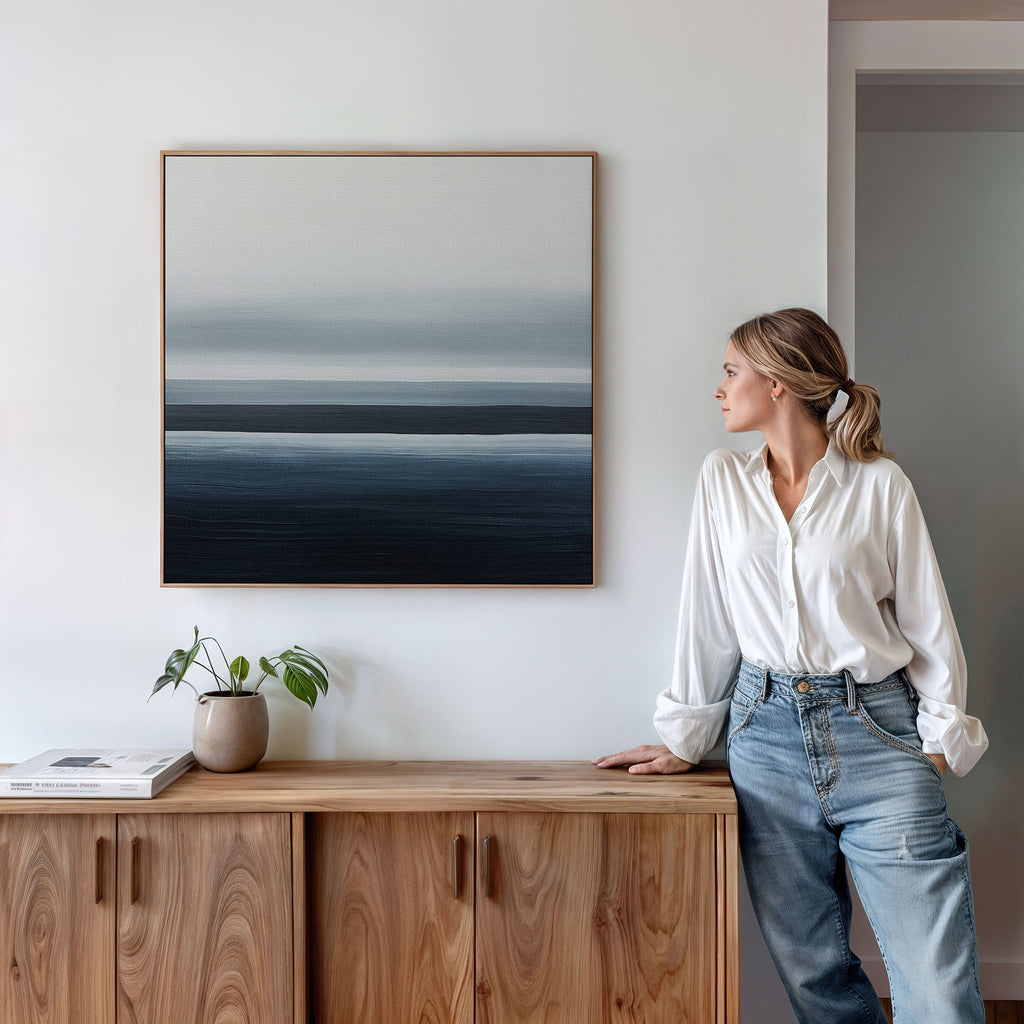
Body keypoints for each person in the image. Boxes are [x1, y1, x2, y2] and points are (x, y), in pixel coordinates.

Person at [593, 308, 988, 1024]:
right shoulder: (722, 481)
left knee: (937, 988)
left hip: (879, 729)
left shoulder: (880, 486)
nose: (719, 388)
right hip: (763, 735)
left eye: (730, 371)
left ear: (777, 384)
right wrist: (687, 737)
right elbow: (705, 616)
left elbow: (929, 621)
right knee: (815, 979)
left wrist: (936, 740)